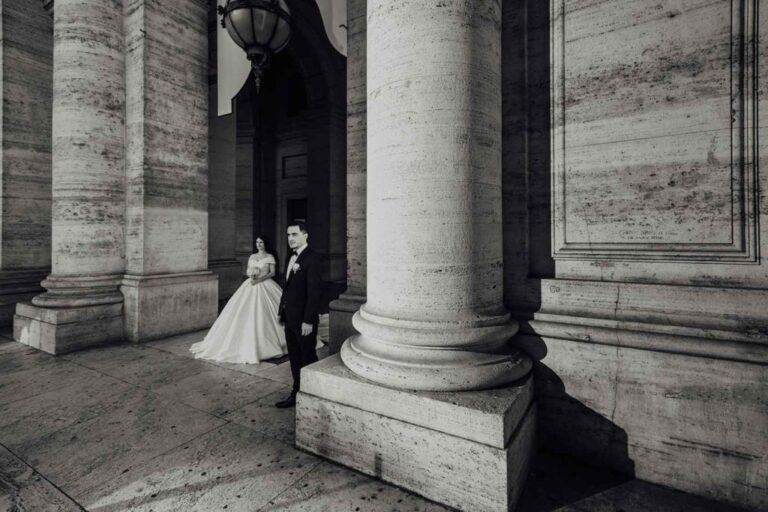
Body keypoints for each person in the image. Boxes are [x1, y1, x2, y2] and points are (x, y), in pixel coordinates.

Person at [190, 236, 286, 364]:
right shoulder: (252, 257)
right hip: (250, 284)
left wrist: (259, 279)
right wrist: (251, 275)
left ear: (265, 244)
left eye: (261, 242)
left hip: (264, 284)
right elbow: (247, 270)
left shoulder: (269, 257)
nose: (259, 244)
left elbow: (272, 273)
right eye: (257, 242)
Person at [275, 222, 322, 408]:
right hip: (290, 316)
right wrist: (282, 310)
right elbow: (287, 288)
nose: (290, 238)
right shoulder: (291, 257)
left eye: (294, 234)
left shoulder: (313, 258)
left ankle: (314, 394)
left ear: (305, 235)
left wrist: (308, 320)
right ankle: (297, 393)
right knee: (294, 357)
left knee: (307, 357)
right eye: (288, 235)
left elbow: (315, 293)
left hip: (304, 320)